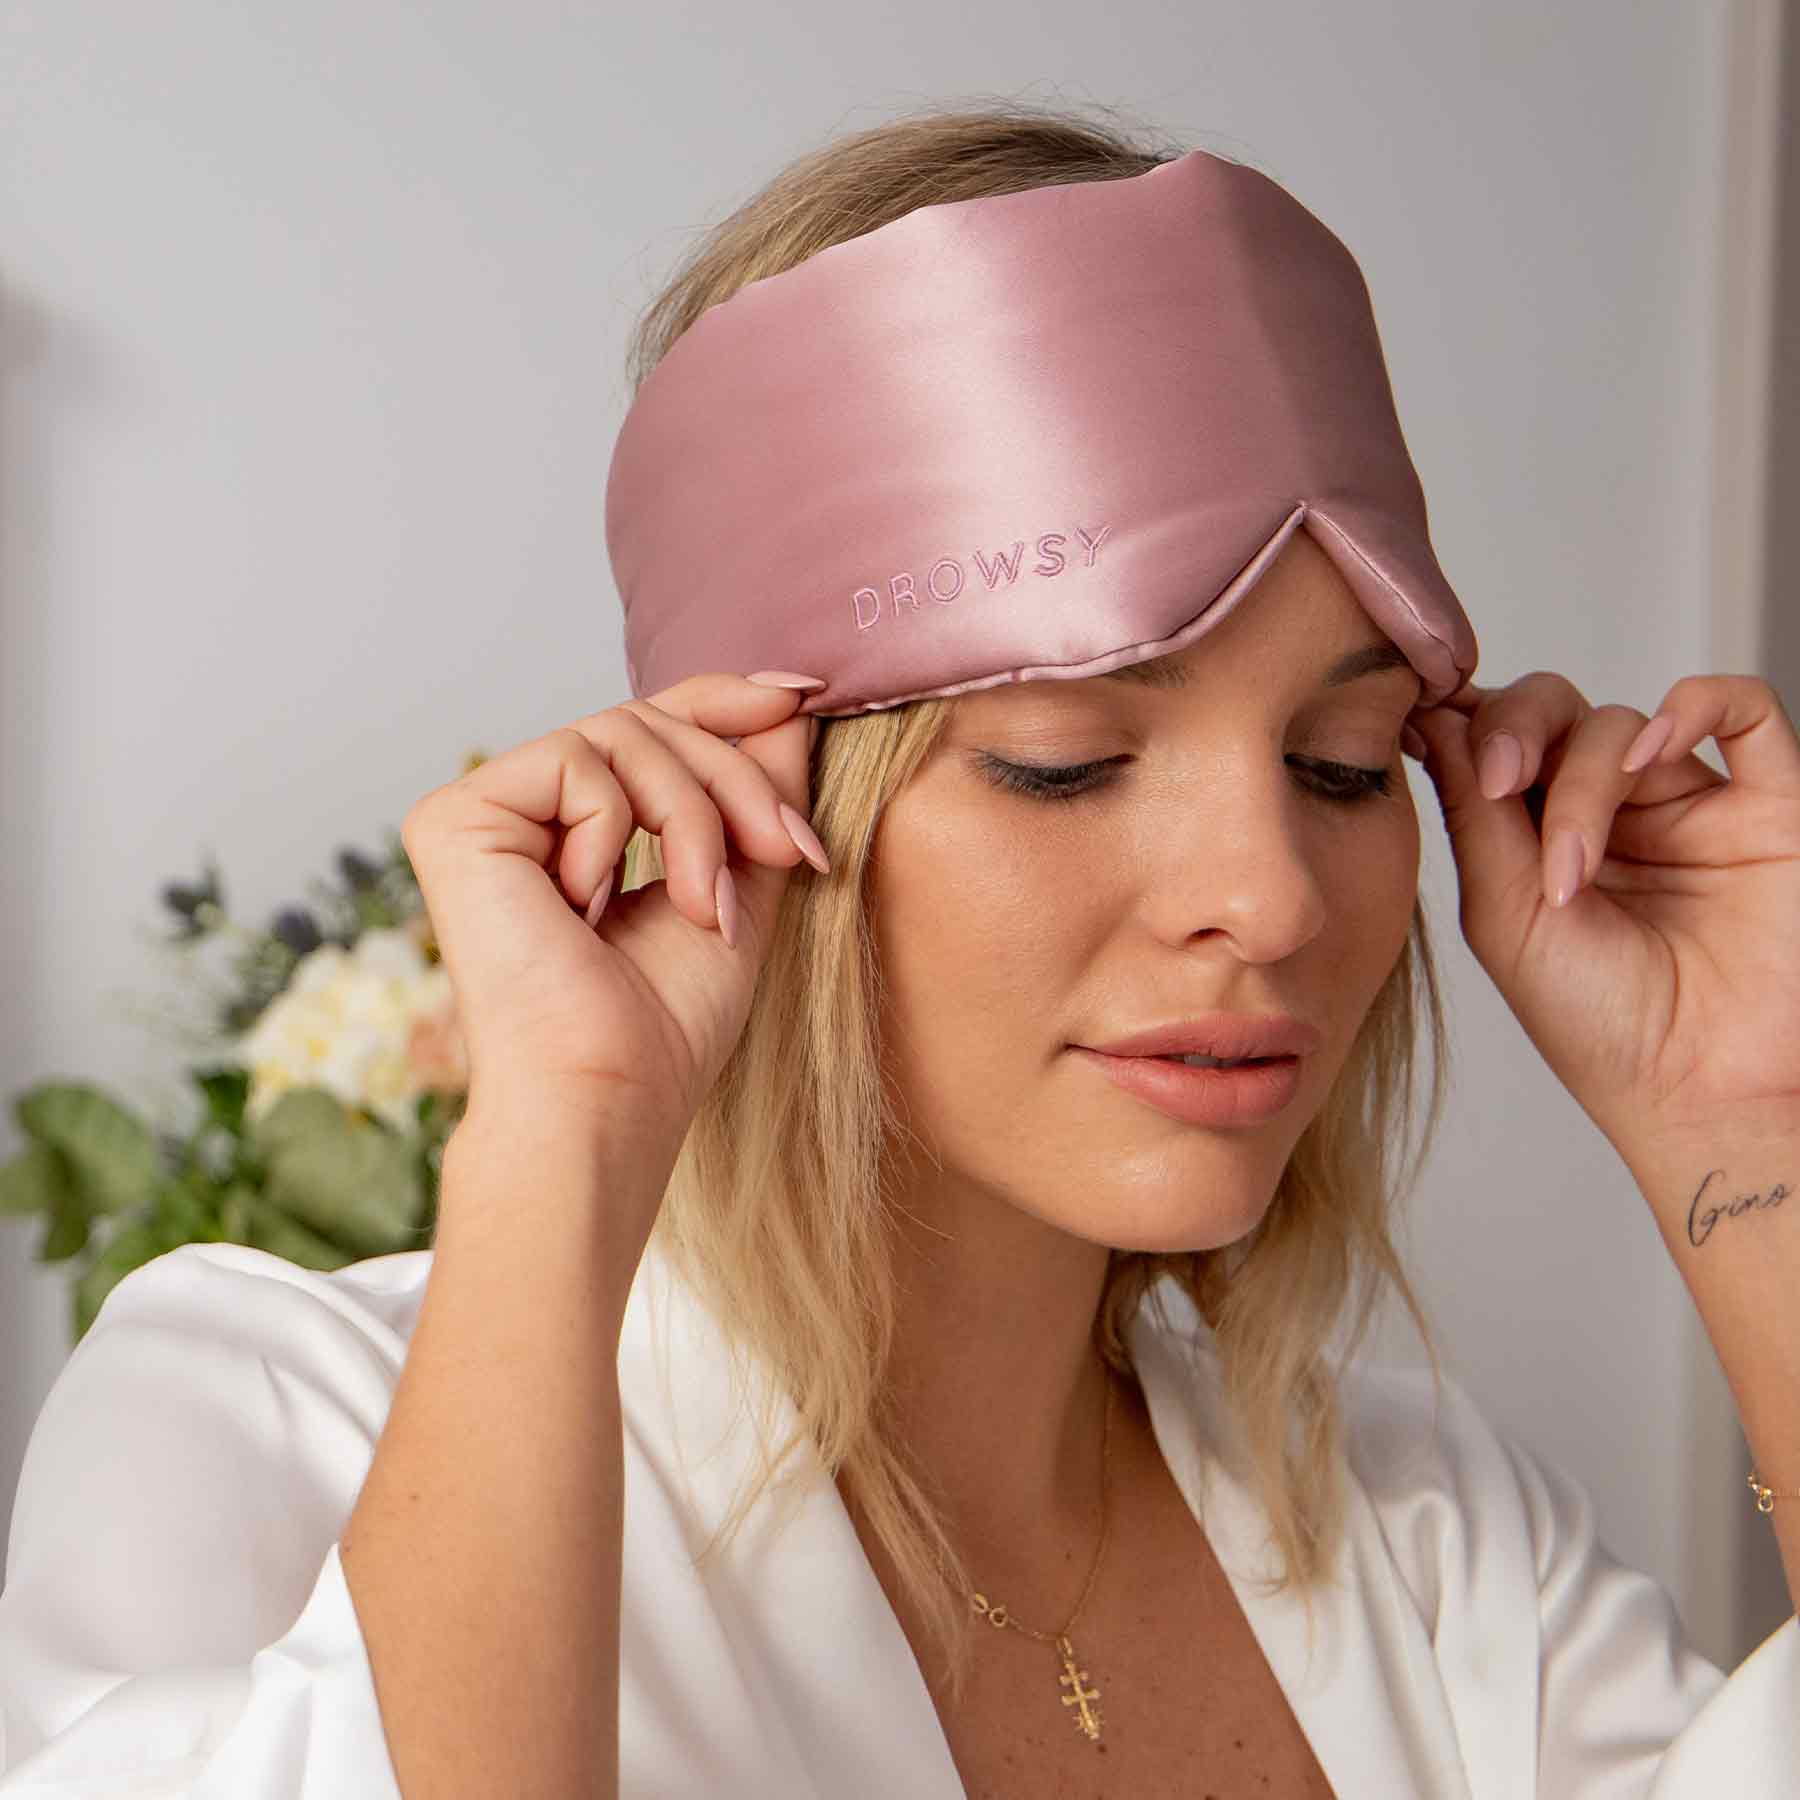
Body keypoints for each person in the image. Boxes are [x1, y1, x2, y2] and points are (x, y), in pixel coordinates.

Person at [3, 102, 1799, 1799]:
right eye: (1067, 763)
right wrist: (564, 1131)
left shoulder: (1428, 1530)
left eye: (1340, 765)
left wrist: (1741, 1124)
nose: (1274, 899)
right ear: (768, 803)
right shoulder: (266, 1426)